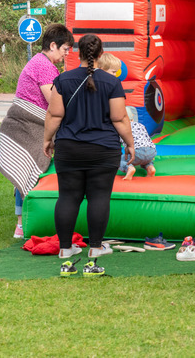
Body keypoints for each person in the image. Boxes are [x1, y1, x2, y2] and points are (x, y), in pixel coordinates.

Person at [44, 34, 134, 278]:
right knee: (99, 197)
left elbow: (55, 115)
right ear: (101, 54)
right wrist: (130, 143)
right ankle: (95, 251)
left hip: (69, 148)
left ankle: (65, 251)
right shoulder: (111, 82)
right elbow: (119, 118)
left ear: (78, 53)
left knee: (68, 197)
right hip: (103, 149)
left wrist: (47, 139)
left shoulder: (63, 80)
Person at [0, 23, 74, 239]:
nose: (66, 54)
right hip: (25, 125)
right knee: (28, 172)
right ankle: (22, 223)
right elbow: (54, 102)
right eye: (65, 49)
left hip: (21, 126)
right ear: (53, 45)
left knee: (27, 172)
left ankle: (24, 221)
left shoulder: (40, 62)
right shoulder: (44, 66)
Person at [95, 54, 157, 180]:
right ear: (101, 70)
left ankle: (128, 167)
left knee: (117, 157)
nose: (115, 75)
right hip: (151, 150)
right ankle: (149, 166)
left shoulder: (109, 85)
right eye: (113, 72)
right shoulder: (103, 85)